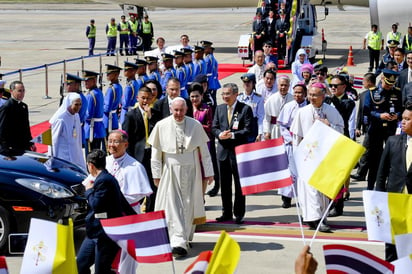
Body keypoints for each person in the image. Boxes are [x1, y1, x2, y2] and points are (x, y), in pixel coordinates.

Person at [148, 97, 214, 257]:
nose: (178, 114)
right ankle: (177, 241)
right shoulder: (161, 126)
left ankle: (184, 237)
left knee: (189, 204)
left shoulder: (195, 125)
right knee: (172, 205)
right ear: (171, 109)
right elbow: (155, 155)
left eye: (181, 110)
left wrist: (209, 172)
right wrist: (156, 175)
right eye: (175, 110)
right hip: (170, 170)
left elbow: (205, 152)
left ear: (186, 110)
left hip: (192, 170)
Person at [290, 83, 344, 232]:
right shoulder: (303, 112)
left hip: (325, 157)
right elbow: (297, 136)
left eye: (315, 95)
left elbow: (341, 129)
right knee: (310, 190)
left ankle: (319, 218)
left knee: (322, 191)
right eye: (310, 95)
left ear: (323, 96)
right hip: (307, 157)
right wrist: (297, 156)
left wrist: (329, 125)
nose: (312, 98)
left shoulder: (330, 111)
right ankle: (315, 219)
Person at [76, 149, 135, 274]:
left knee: (101, 270)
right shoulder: (104, 179)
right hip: (94, 232)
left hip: (106, 235)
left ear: (90, 165)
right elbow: (123, 202)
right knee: (81, 264)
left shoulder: (105, 180)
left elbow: (96, 205)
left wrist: (88, 191)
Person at [106, 130, 152, 274]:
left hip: (128, 215)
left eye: (116, 142)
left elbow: (139, 193)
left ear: (125, 144)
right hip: (108, 215)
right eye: (110, 141)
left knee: (127, 255)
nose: (112, 145)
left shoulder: (135, 166)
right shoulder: (105, 162)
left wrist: (115, 199)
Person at [375, 102, 412, 262]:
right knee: (392, 242)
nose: (403, 122)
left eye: (407, 119)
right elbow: (381, 173)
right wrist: (378, 199)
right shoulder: (392, 142)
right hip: (394, 199)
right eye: (402, 118)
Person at [212, 83, 253, 225]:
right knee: (225, 184)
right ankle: (226, 212)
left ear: (236, 94)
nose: (225, 97)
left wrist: (233, 135)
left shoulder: (245, 109)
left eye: (228, 94)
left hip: (238, 152)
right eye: (223, 94)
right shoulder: (220, 108)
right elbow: (214, 127)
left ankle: (239, 213)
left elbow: (249, 130)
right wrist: (219, 134)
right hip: (223, 152)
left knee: (239, 184)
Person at [363, 69, 402, 190]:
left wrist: (397, 115)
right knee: (374, 159)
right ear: (382, 79)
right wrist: (379, 115)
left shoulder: (397, 92)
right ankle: (370, 186)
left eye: (392, 84)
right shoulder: (372, 92)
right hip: (376, 129)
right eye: (387, 83)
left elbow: (402, 108)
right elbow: (367, 111)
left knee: (391, 159)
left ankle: (386, 186)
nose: (389, 86)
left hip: (391, 129)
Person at [123, 86, 157, 213]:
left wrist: (150, 117)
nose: (145, 101)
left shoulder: (154, 114)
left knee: (152, 184)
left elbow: (157, 131)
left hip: (151, 154)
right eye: (143, 98)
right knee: (138, 184)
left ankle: (150, 210)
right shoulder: (131, 115)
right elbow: (127, 138)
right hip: (137, 156)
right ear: (138, 98)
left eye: (148, 98)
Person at [326, 75, 356, 217]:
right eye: (331, 85)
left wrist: (331, 98)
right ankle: (328, 203)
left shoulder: (348, 102)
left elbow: (344, 115)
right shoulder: (326, 100)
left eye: (336, 86)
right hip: (327, 141)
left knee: (339, 176)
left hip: (342, 141)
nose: (333, 88)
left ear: (344, 86)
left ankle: (338, 206)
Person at [277, 83, 308, 208]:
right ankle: (286, 198)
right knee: (289, 171)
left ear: (305, 94)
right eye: (295, 92)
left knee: (302, 172)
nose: (297, 95)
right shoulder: (288, 106)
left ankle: (302, 198)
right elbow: (282, 126)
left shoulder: (309, 107)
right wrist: (290, 139)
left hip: (305, 144)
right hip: (290, 143)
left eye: (300, 92)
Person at [189, 83, 214, 194]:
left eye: (197, 96)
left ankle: (201, 197)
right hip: (188, 144)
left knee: (202, 171)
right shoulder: (186, 108)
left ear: (202, 96)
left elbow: (210, 127)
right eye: (192, 96)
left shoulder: (206, 109)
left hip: (202, 143)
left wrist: (196, 124)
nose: (194, 99)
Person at [351, 73, 376, 182]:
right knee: (367, 149)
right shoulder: (363, 94)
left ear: (369, 82)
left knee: (366, 150)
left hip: (375, 126)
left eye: (364, 81)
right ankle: (362, 172)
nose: (362, 83)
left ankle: (361, 173)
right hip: (366, 127)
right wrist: (358, 127)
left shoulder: (376, 94)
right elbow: (360, 112)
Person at [50, 93, 85, 170]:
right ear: (69, 104)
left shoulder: (76, 116)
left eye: (80, 104)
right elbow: (54, 141)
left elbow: (78, 138)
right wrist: (54, 160)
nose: (78, 107)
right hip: (64, 156)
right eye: (76, 104)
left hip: (75, 154)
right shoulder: (61, 119)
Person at [0, 80, 35, 156]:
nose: (22, 93)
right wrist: (5, 149)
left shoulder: (24, 106)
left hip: (23, 146)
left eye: (23, 91)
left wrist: (30, 142)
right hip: (11, 148)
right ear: (11, 91)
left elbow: (26, 127)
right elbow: (2, 130)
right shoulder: (7, 107)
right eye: (19, 91)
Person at [263, 75, 294, 141]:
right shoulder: (271, 99)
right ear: (278, 85)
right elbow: (266, 117)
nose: (283, 87)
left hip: (289, 129)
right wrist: (267, 131)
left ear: (289, 86)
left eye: (285, 85)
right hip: (275, 129)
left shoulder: (293, 99)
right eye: (281, 85)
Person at [83, 70, 106, 154]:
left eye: (87, 80)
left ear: (94, 81)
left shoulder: (90, 95)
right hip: (99, 128)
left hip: (91, 130)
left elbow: (88, 115)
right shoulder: (98, 92)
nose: (85, 83)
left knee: (90, 157)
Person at [238, 73, 264, 143]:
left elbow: (261, 117)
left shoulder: (258, 98)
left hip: (253, 127)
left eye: (249, 82)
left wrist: (260, 133)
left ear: (253, 83)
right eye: (244, 82)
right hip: (241, 126)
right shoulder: (238, 98)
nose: (246, 84)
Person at [103, 64, 122, 133]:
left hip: (108, 120)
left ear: (116, 75)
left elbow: (107, 108)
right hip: (114, 118)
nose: (107, 75)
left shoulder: (112, 88)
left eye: (109, 73)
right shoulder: (119, 86)